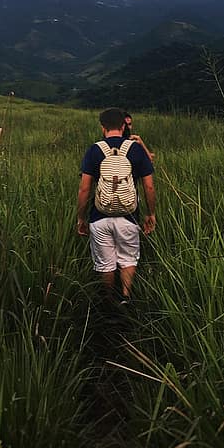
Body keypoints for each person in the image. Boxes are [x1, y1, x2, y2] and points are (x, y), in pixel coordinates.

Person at [77, 107, 156, 303]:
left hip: (99, 216)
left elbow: (85, 189)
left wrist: (81, 217)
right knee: (128, 259)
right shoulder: (135, 149)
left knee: (106, 263)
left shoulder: (94, 150)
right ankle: (126, 298)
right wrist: (150, 213)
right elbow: (149, 186)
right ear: (123, 126)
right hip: (129, 215)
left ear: (103, 127)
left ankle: (108, 300)